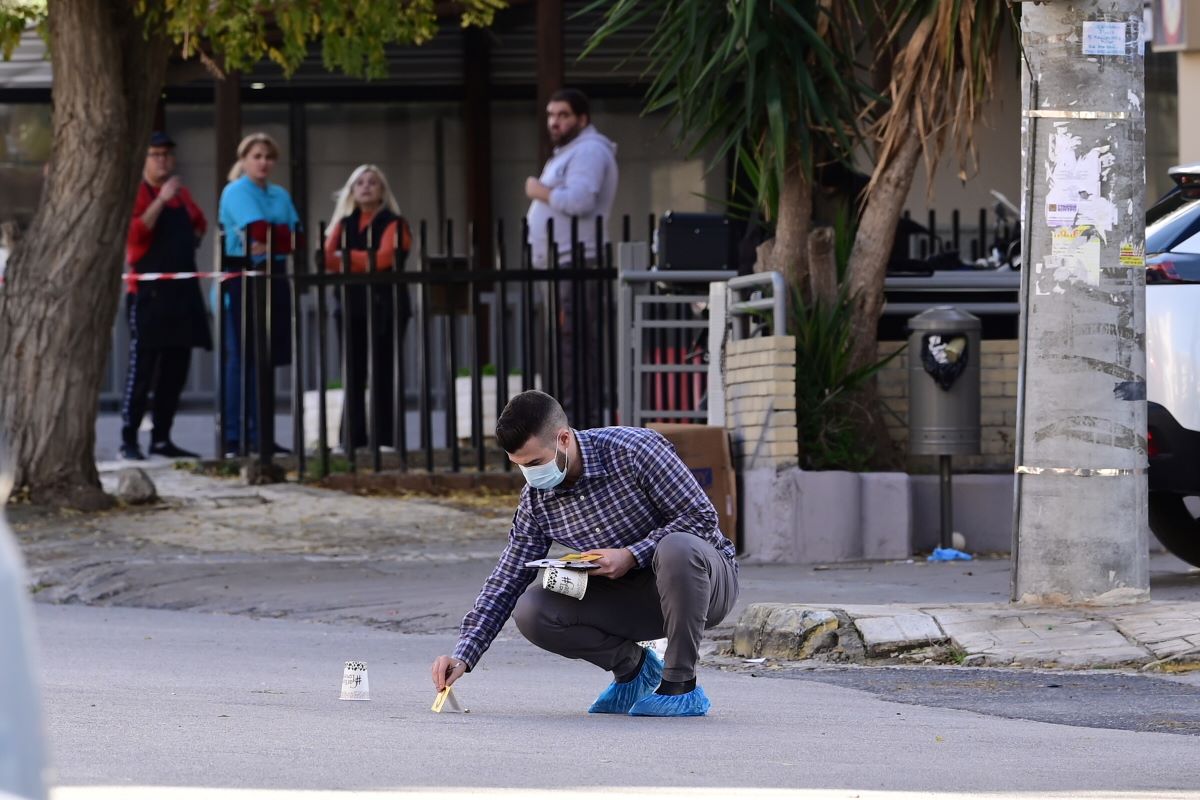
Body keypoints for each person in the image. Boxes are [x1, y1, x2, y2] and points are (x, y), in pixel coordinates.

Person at [430, 390, 738, 717]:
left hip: (702, 584)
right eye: (520, 467)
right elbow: (507, 577)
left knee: (676, 546)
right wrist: (464, 654)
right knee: (532, 609)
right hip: (632, 598)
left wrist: (631, 555)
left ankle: (680, 684)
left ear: (563, 438)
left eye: (535, 463)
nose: (531, 476)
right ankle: (633, 668)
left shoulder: (635, 450)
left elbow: (701, 518)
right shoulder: (537, 500)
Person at [524, 89, 619, 421]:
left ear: (582, 118)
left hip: (576, 261)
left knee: (572, 348)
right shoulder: (569, 152)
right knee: (566, 347)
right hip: (561, 263)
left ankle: (575, 424)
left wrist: (540, 191)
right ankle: (567, 422)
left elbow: (580, 200)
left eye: (563, 115)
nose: (555, 122)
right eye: (551, 115)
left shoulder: (590, 150)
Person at [119, 131, 211, 461]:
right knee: (142, 370)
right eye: (155, 154)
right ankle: (128, 438)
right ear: (144, 159)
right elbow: (136, 233)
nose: (162, 160)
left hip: (181, 293)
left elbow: (200, 223)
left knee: (175, 370)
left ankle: (162, 437)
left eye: (167, 155)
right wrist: (160, 199)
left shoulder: (181, 195)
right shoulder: (139, 193)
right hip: (148, 294)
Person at [218, 132, 300, 457]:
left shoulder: (279, 194)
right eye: (256, 156)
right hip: (244, 277)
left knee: (267, 359)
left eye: (268, 156)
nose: (263, 162)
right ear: (243, 160)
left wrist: (274, 238)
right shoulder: (236, 191)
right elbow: (255, 232)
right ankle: (236, 437)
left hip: (274, 275)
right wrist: (274, 237)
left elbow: (297, 237)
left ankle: (262, 434)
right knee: (243, 358)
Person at [323, 165, 413, 450]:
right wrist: (363, 258)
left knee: (383, 370)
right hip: (350, 305)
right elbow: (326, 257)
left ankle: (385, 439)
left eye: (372, 182)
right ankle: (350, 439)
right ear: (351, 189)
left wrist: (347, 257)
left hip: (386, 305)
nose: (366, 187)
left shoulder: (395, 222)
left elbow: (385, 258)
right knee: (352, 371)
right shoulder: (343, 223)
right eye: (360, 182)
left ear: (382, 191)